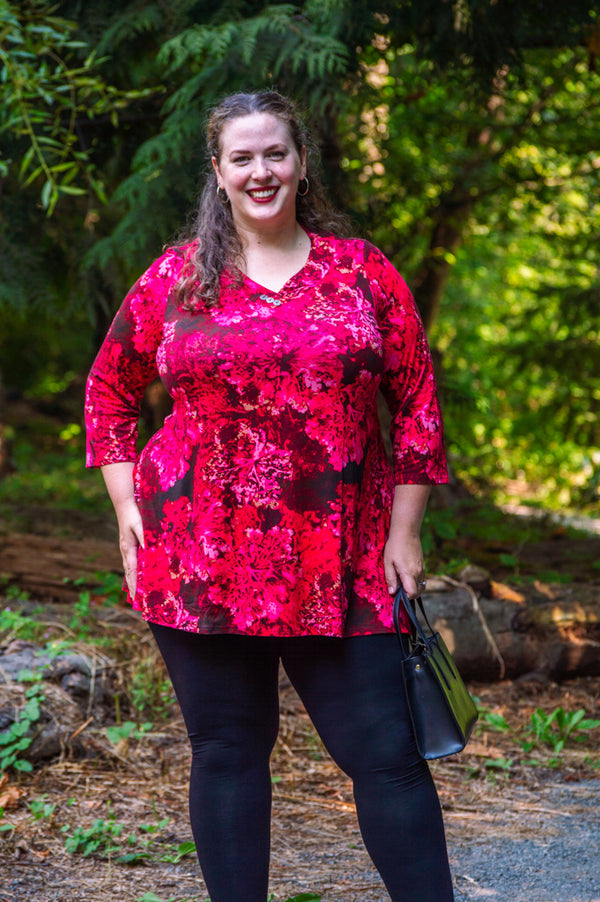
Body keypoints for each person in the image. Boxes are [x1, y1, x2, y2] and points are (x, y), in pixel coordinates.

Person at [85, 90, 454, 902]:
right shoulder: (178, 278)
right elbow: (109, 390)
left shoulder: (361, 271)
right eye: (242, 157)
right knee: (226, 751)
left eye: (275, 153)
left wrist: (406, 531)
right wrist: (126, 507)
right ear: (218, 171)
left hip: (346, 557)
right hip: (200, 554)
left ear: (301, 162)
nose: (261, 171)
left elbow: (418, 402)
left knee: (387, 755)